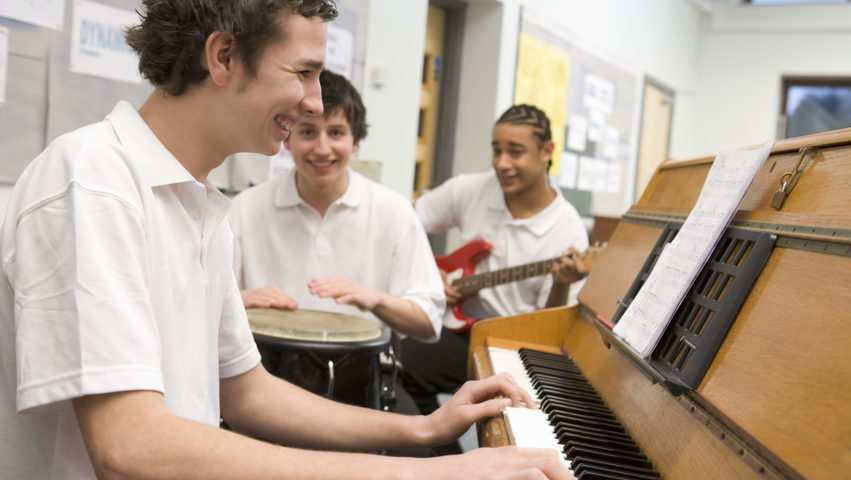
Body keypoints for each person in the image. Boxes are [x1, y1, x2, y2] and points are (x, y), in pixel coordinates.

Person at [0, 2, 573, 478]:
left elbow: (247, 393)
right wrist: (426, 472)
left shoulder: (198, 204)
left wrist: (421, 429)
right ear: (223, 57)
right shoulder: (94, 181)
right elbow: (130, 445)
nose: (316, 102)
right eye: (303, 73)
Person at [401, 104, 591, 454]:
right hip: (463, 334)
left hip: (516, 347)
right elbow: (405, 225)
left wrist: (562, 281)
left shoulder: (568, 231)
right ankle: (445, 461)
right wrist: (431, 272)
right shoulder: (471, 189)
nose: (502, 163)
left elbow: (548, 327)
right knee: (403, 360)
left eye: (515, 152)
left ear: (547, 152)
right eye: (496, 150)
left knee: (513, 425)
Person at [230, 69, 444, 345]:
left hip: (361, 375)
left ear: (355, 142)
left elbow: (429, 324)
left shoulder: (393, 211)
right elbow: (202, 304)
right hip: (263, 371)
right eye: (307, 132)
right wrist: (241, 299)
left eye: (336, 133)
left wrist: (375, 300)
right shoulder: (244, 208)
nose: (322, 148)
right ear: (287, 139)